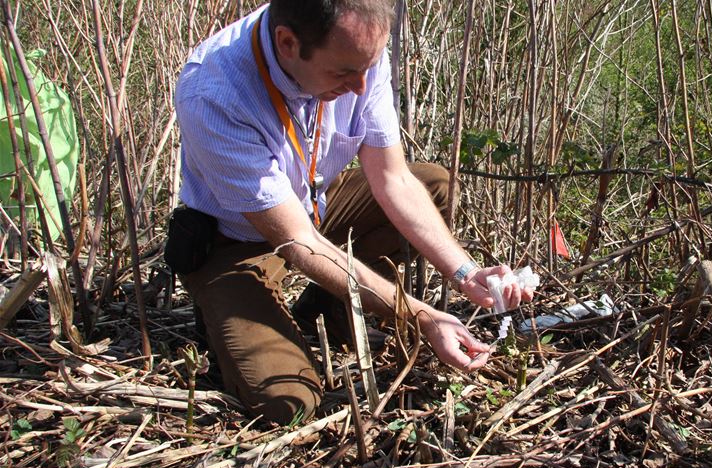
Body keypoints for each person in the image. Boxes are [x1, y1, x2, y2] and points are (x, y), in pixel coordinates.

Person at [169, 0, 532, 424]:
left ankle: (326, 312)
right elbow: (298, 242)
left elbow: (393, 181)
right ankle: (223, 315)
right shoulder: (214, 93)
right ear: (287, 43)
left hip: (317, 205)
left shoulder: (357, 46)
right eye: (343, 73)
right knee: (288, 402)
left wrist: (467, 275)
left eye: (370, 66)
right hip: (239, 240)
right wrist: (424, 318)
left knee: (433, 185)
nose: (361, 86)